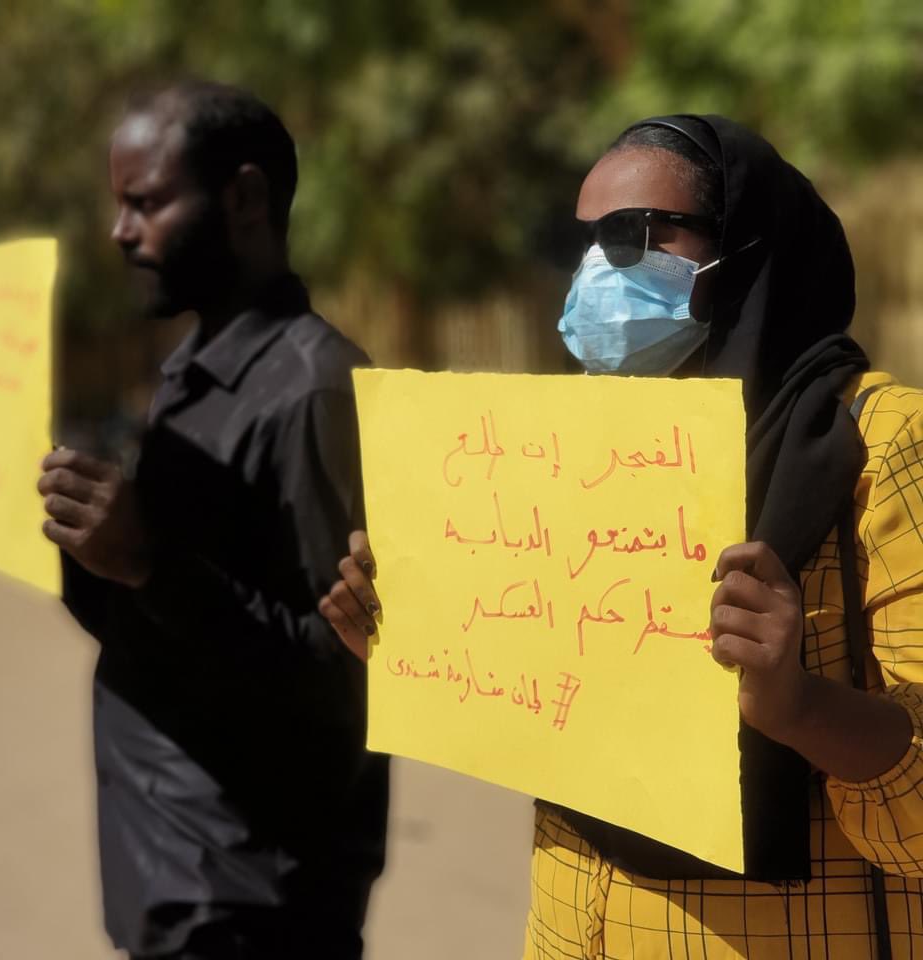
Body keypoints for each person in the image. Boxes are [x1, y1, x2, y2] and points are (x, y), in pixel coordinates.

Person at [319, 114, 923, 957]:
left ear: (744, 245)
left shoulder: (880, 442)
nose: (597, 268)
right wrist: (414, 634)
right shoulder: (574, 454)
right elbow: (552, 713)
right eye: (584, 241)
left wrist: (797, 704)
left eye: (632, 235)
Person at [37, 81, 388, 959]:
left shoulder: (316, 390)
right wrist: (92, 555)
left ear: (242, 199)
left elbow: (343, 683)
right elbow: (141, 628)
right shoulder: (192, 374)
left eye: (145, 202)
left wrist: (152, 562)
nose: (121, 231)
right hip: (173, 866)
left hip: (253, 898)